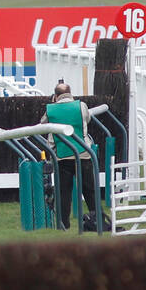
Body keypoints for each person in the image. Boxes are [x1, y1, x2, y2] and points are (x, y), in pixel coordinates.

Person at [41, 80, 107, 230]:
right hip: (83, 153)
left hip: (61, 157)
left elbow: (43, 123)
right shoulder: (81, 106)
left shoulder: (50, 109)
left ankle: (64, 224)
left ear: (55, 96)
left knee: (64, 193)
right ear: (70, 94)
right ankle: (98, 221)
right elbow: (87, 119)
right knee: (90, 190)